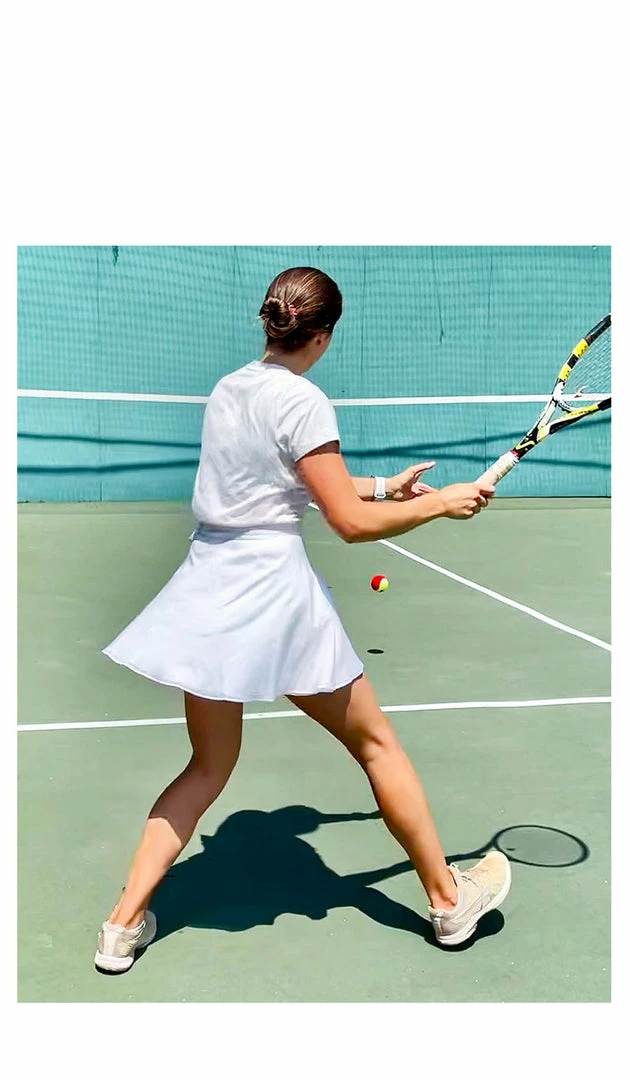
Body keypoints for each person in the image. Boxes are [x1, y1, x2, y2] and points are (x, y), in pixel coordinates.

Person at [95, 266, 510, 973]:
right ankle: (449, 903)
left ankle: (120, 925)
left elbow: (285, 479)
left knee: (207, 765)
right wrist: (441, 504)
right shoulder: (305, 400)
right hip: (273, 599)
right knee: (377, 747)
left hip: (208, 589)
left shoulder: (230, 389)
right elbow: (347, 523)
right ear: (322, 335)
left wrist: (386, 486)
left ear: (272, 322)